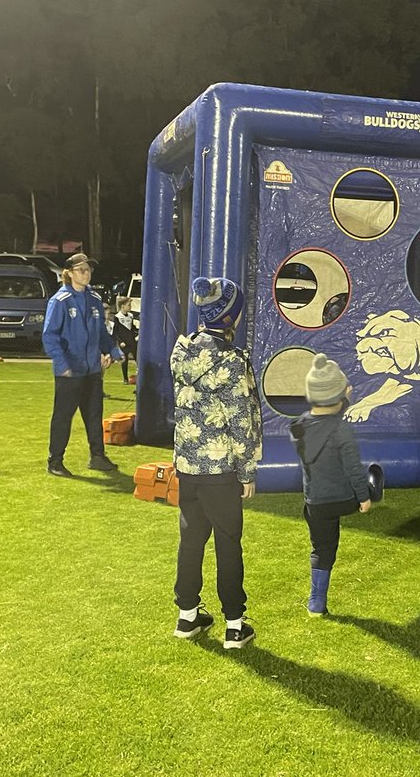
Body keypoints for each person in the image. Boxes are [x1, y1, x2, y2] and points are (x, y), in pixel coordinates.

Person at [171, 277, 262, 650]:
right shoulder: (232, 362)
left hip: (188, 467)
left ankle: (187, 616)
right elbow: (242, 423)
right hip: (221, 469)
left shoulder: (182, 352)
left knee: (191, 540)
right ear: (230, 317)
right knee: (228, 543)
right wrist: (247, 472)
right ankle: (235, 625)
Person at [289, 353, 382, 617]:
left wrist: (338, 396)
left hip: (316, 503)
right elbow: (353, 469)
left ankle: (316, 603)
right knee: (373, 474)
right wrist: (365, 498)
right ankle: (374, 489)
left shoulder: (298, 427)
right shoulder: (342, 429)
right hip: (345, 498)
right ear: (339, 395)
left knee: (322, 548)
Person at [42, 252, 121, 477]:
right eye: (81, 270)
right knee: (63, 418)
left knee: (94, 415)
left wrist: (113, 351)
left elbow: (102, 333)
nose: (86, 274)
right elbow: (50, 336)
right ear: (69, 273)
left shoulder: (94, 299)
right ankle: (55, 461)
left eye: (88, 269)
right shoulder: (60, 301)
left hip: (92, 371)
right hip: (70, 372)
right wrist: (62, 363)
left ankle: (97, 456)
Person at [111, 296, 138, 385]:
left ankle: (140, 377)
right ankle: (125, 379)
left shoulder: (130, 316)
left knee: (138, 359)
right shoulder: (117, 317)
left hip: (132, 341)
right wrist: (120, 341)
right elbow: (115, 332)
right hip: (124, 343)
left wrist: (137, 333)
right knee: (124, 360)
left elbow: (132, 328)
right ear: (122, 306)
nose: (130, 306)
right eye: (128, 305)